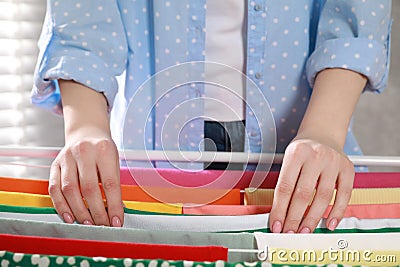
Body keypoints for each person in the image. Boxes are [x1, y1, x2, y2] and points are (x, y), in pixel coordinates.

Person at [32, 0, 392, 233]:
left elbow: (356, 20)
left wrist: (324, 133)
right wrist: (85, 129)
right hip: (147, 173)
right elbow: (82, 25)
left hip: (308, 174)